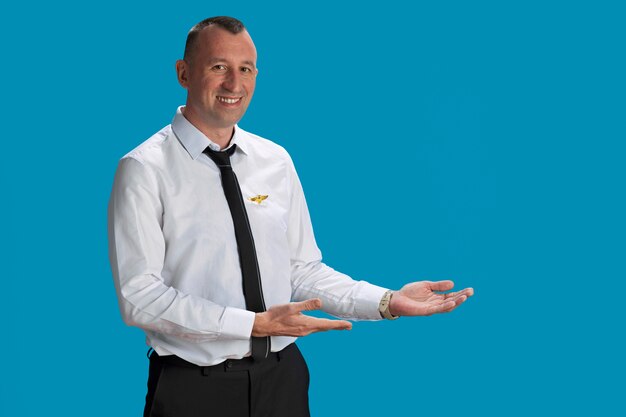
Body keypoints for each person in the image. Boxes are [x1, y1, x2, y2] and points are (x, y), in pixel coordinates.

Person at [108, 16, 474, 417]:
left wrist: (387, 301)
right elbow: (139, 297)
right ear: (183, 73)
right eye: (219, 67)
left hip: (282, 382)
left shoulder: (274, 160)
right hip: (194, 388)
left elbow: (301, 270)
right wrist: (251, 324)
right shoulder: (144, 168)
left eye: (245, 69)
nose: (235, 84)